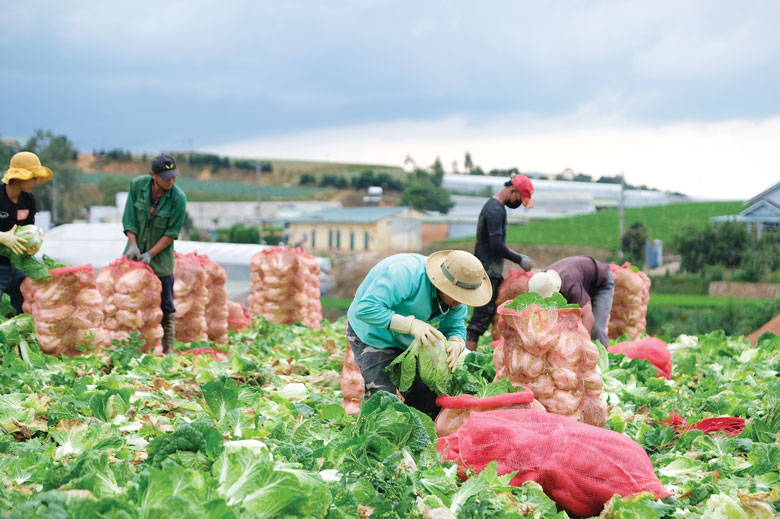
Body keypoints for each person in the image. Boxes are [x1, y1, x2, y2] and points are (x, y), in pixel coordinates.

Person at [347, 250, 492, 418]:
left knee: (426, 396)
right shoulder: (404, 275)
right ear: (442, 282)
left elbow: (455, 326)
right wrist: (410, 324)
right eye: (457, 294)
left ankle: (419, 438)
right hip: (374, 334)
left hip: (410, 341)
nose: (460, 301)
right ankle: (377, 438)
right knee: (382, 398)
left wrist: (456, 341)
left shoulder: (457, 298)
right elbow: (366, 309)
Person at [122, 153, 187, 353]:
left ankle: (166, 348)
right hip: (133, 257)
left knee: (166, 305)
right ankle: (129, 345)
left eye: (174, 176)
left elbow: (171, 233)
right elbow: (129, 218)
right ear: (153, 175)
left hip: (161, 262)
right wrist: (133, 244)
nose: (171, 181)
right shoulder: (137, 186)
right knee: (129, 301)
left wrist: (150, 254)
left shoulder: (178, 198)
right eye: (167, 177)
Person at [465, 174, 536, 351]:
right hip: (486, 272)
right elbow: (496, 245)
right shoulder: (495, 209)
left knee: (487, 317)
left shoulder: (497, 208)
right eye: (519, 199)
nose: (518, 203)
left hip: (489, 271)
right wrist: (519, 259)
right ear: (513, 191)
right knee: (478, 322)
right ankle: (464, 360)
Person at [0, 152, 53, 314]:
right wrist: (2, 237)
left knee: (25, 308)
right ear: (18, 177)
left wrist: (33, 244)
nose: (36, 182)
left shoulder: (28, 199)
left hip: (16, 264)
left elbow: (29, 227)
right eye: (32, 177)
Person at [527, 255, 615, 345]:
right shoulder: (540, 280)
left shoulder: (570, 285)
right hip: (581, 281)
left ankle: (603, 353)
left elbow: (588, 317)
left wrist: (582, 345)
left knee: (597, 328)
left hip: (601, 284)